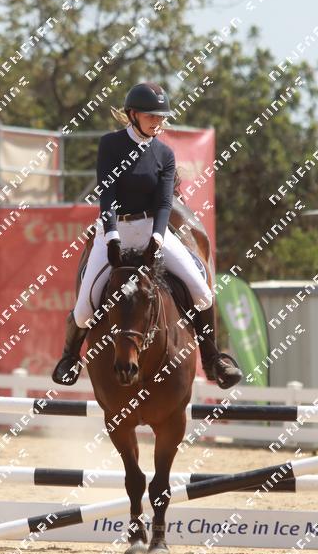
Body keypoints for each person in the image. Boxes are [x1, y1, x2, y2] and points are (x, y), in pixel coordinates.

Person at [51, 81, 242, 389]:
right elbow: (107, 194)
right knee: (84, 311)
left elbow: (164, 202)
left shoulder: (164, 153)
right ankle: (69, 358)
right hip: (114, 229)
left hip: (153, 228)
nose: (158, 122)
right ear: (133, 115)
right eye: (151, 116)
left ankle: (213, 360)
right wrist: (111, 235)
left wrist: (157, 237)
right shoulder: (111, 145)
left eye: (161, 117)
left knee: (202, 293)